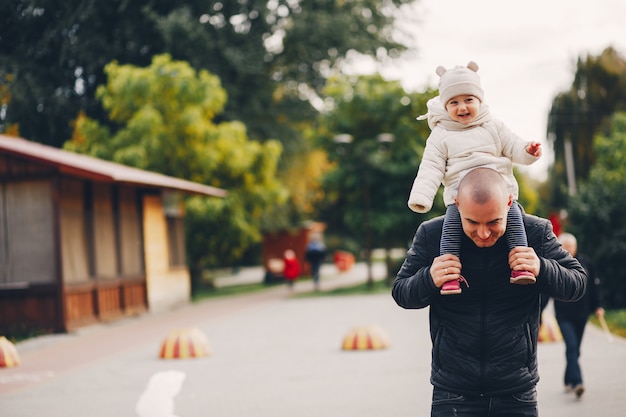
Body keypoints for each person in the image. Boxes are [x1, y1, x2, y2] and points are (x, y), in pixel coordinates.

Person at [392, 167, 587, 417]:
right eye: (472, 222)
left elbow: (577, 283)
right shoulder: (432, 234)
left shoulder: (535, 232)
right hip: (453, 391)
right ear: (457, 204)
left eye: (494, 222)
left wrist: (541, 267)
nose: (483, 233)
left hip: (516, 391)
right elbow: (401, 292)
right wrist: (428, 278)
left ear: (508, 203)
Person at [407, 61, 542, 295]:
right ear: (444, 105)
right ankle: (450, 276)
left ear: (480, 100)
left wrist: (528, 151)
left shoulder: (493, 125)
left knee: (514, 221)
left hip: (498, 195)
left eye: (468, 100)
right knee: (450, 230)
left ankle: (521, 267)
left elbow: (513, 146)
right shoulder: (441, 134)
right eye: (453, 102)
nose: (462, 107)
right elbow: (430, 167)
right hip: (461, 198)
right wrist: (421, 197)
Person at [553, 232, 604, 399]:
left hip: (582, 314)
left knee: (575, 350)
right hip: (563, 314)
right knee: (572, 347)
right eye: (565, 248)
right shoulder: (555, 264)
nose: (568, 251)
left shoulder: (585, 262)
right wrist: (537, 315)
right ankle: (577, 382)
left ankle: (568, 378)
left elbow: (593, 287)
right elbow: (545, 291)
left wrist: (598, 306)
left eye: (571, 247)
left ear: (575, 248)